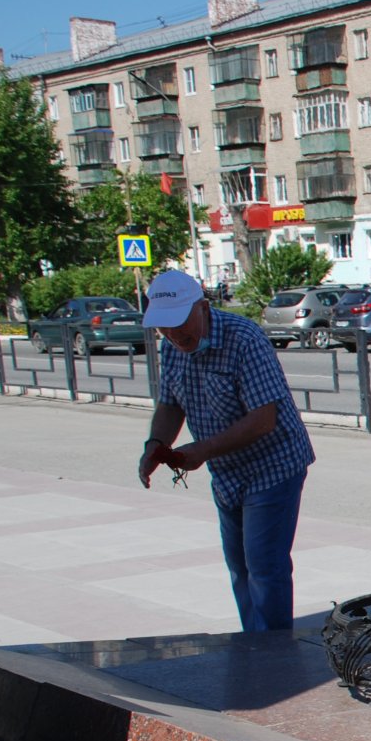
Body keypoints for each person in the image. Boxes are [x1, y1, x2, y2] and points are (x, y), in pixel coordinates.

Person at [137, 270, 314, 632]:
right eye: (163, 328)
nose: (173, 335)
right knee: (240, 567)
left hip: (273, 465)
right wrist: (156, 446)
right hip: (227, 472)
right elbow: (170, 405)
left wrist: (203, 449)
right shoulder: (171, 346)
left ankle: (274, 656)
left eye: (179, 324)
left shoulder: (243, 338)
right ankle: (255, 641)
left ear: (203, 308)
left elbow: (264, 418)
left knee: (265, 566)